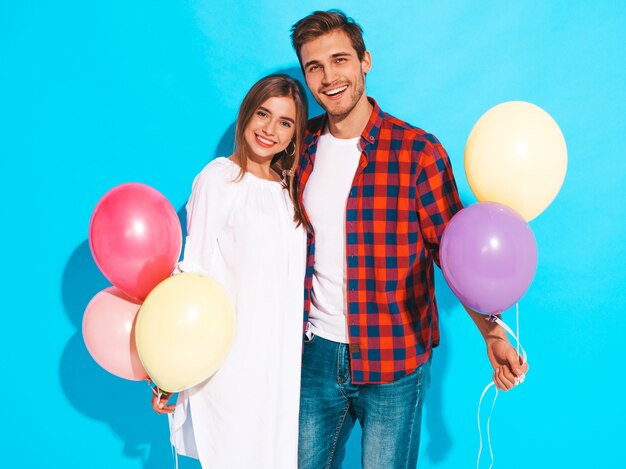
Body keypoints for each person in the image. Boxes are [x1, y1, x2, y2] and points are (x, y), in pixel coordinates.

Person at [290, 10, 530, 468]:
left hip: (395, 357)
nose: (328, 77)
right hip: (313, 356)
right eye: (313, 67)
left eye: (340, 59)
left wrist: (492, 333)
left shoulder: (418, 152)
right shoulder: (299, 148)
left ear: (365, 61)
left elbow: (455, 254)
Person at [150, 74, 308, 469]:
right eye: (263, 114)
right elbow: (192, 274)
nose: (270, 130)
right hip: (234, 362)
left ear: (294, 135)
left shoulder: (289, 190)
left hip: (279, 366)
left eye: (285, 123)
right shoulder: (219, 179)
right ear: (246, 115)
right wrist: (169, 369)